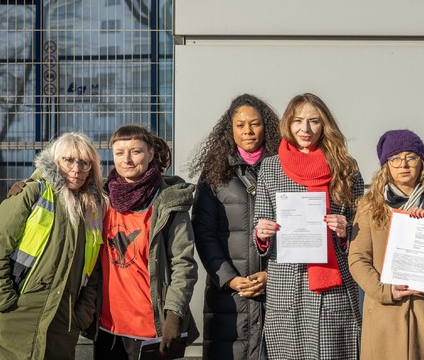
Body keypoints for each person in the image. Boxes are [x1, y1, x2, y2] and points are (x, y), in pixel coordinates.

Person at [0, 132, 105, 360]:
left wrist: (82, 314)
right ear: (55, 161)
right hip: (9, 321)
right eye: (68, 160)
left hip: (60, 328)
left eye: (84, 162)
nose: (76, 169)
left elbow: (94, 270)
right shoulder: (32, 192)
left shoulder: (93, 210)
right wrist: (3, 300)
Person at [253, 93, 364, 360]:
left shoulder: (345, 168)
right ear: (288, 124)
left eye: (314, 121)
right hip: (287, 281)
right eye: (298, 121)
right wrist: (262, 233)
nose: (305, 129)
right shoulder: (271, 167)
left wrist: (345, 231)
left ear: (324, 124)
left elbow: (363, 228)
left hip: (333, 281)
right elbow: (260, 228)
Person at [349, 129, 424, 360]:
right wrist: (384, 291)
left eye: (411, 157)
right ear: (386, 165)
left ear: (422, 162)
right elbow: (357, 259)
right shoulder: (370, 205)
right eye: (395, 158)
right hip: (384, 314)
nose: (403, 164)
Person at [94, 124, 198, 359]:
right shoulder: (101, 198)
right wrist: (29, 186)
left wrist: (174, 314)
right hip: (107, 329)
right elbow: (66, 181)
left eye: (136, 151)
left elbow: (183, 264)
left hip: (151, 330)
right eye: (119, 153)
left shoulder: (169, 203)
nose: (127, 160)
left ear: (150, 154)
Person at [190, 94, 281, 360]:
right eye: (240, 125)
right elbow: (204, 233)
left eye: (255, 124)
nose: (248, 131)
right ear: (230, 130)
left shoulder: (284, 170)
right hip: (228, 298)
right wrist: (229, 279)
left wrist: (273, 275)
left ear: (267, 127)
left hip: (277, 292)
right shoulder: (214, 174)